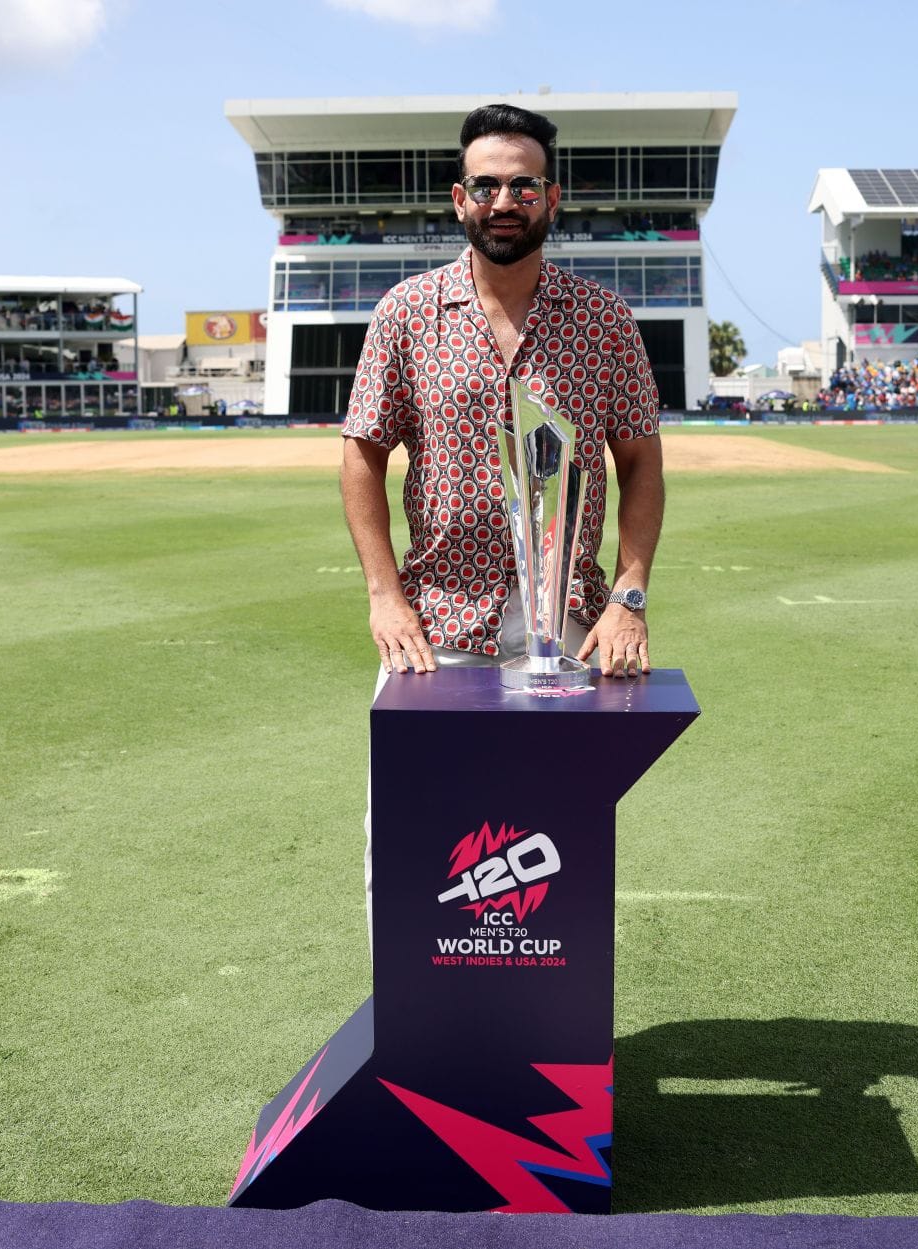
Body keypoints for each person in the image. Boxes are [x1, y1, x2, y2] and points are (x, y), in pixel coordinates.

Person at [339, 102, 667, 938]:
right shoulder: (406, 315)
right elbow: (362, 456)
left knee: (552, 851)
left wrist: (630, 594)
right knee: (413, 845)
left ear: (552, 199)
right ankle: (412, 1034)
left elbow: (641, 464)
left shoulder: (604, 321)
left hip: (566, 635)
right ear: (459, 199)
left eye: (523, 184)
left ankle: (542, 1038)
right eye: (486, 185)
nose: (504, 199)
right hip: (435, 627)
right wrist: (383, 593)